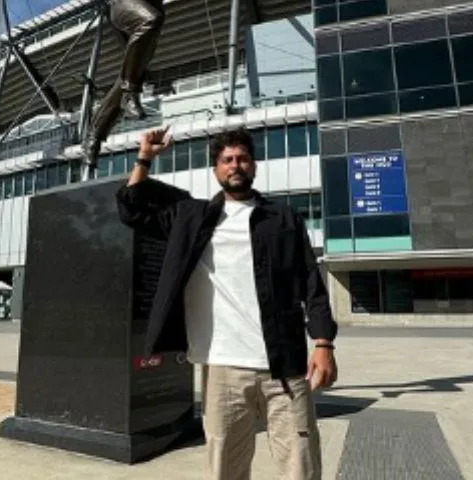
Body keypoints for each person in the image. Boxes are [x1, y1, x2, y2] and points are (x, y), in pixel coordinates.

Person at [116, 127, 339, 480]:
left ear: (254, 166)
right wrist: (145, 156)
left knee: (302, 467)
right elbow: (131, 209)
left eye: (242, 158)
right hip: (221, 368)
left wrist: (324, 342)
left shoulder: (283, 218)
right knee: (225, 471)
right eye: (227, 160)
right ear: (216, 169)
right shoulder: (191, 217)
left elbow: (311, 283)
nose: (235, 165)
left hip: (285, 367)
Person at [78, 0, 165, 168]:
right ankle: (129, 92)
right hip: (126, 5)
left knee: (131, 73)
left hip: (152, 7)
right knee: (150, 21)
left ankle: (93, 136)